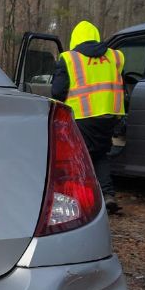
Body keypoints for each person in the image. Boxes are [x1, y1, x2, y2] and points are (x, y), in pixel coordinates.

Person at [51, 20, 126, 214]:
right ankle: (108, 195)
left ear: (75, 38)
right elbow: (121, 85)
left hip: (81, 117)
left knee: (78, 157)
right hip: (109, 116)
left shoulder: (69, 58)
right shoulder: (116, 57)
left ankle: (80, 200)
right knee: (100, 154)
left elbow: (57, 92)